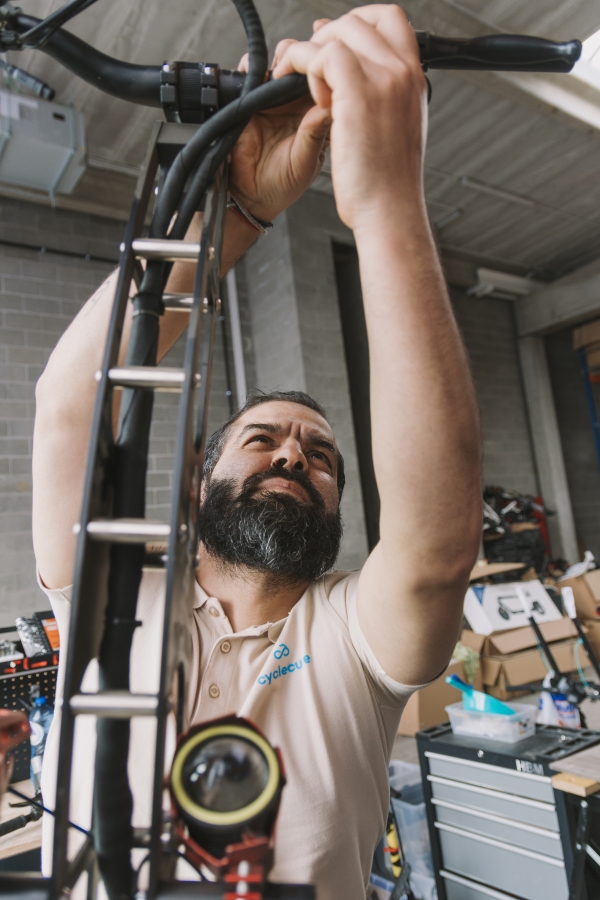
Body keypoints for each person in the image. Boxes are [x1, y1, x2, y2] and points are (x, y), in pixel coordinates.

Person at [32, 6, 481, 899]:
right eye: (262, 437)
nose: (291, 457)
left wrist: (386, 202)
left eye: (320, 456)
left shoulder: (356, 634)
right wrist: (236, 212)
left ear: (342, 512)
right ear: (203, 481)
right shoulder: (123, 588)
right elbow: (67, 407)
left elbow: (434, 550)